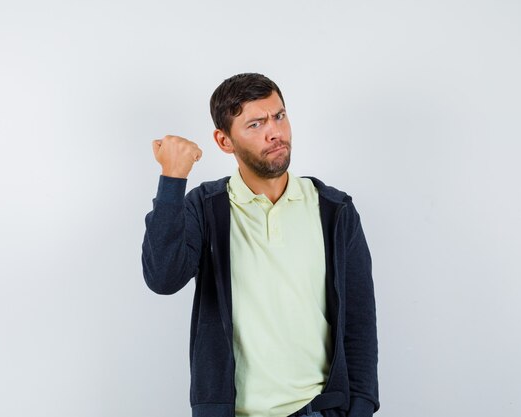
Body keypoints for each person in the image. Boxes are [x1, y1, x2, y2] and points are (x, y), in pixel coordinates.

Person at [141, 73, 379, 417]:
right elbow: (163, 278)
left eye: (279, 116)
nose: (275, 132)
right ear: (225, 141)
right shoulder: (205, 208)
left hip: (320, 409)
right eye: (255, 124)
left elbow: (359, 319)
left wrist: (361, 406)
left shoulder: (334, 210)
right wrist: (172, 180)